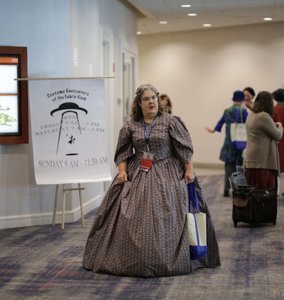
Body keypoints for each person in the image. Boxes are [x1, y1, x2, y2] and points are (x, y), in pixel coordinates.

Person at [83, 84, 221, 277]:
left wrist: (189, 170)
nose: (151, 102)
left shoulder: (171, 122)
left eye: (154, 98)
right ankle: (132, 259)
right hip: (138, 171)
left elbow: (184, 148)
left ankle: (172, 257)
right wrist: (122, 171)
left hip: (167, 171)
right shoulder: (131, 125)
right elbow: (122, 151)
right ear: (139, 103)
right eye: (146, 99)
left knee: (168, 215)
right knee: (129, 213)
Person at [205, 90, 248, 197]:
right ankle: (237, 189)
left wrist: (214, 130)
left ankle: (226, 189)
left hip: (228, 143)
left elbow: (220, 123)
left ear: (233, 99)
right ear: (242, 100)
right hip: (240, 143)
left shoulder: (227, 111)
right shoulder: (244, 112)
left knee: (228, 167)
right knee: (238, 166)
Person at [244, 91, 283, 189]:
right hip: (263, 160)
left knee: (253, 191)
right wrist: (280, 127)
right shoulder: (264, 116)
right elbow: (278, 135)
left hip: (252, 158)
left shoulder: (251, 114)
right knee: (264, 192)